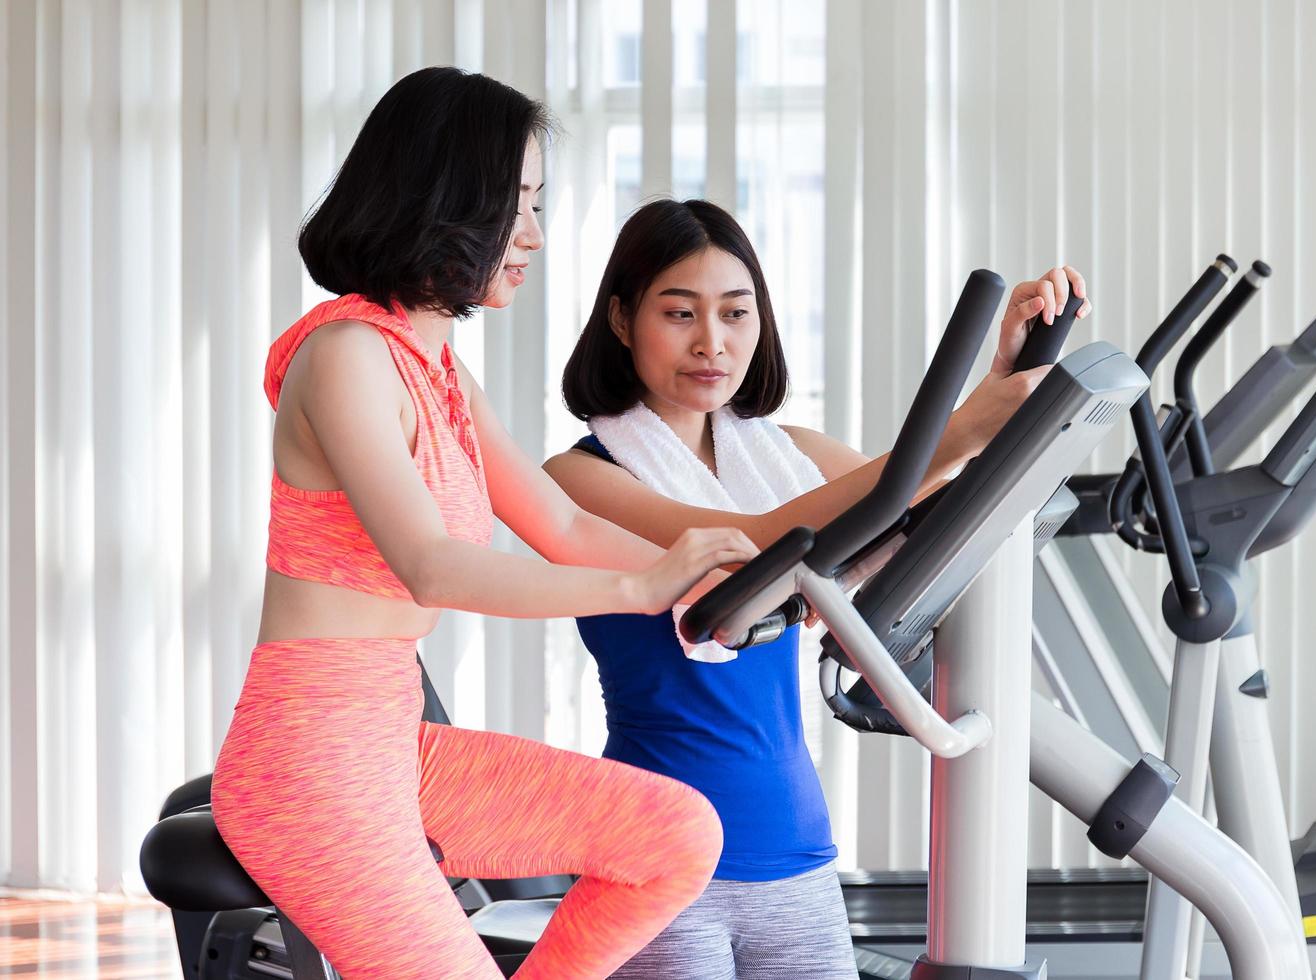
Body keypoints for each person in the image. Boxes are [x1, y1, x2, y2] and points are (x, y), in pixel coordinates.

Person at [210, 69, 756, 980]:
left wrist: (719, 581)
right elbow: (432, 565)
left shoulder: (443, 372)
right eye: (517, 206)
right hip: (306, 765)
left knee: (674, 833)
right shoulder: (345, 357)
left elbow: (565, 526)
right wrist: (642, 588)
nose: (535, 237)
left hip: (392, 740)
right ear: (442, 202)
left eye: (538, 204)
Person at [544, 197, 1089, 978]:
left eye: (736, 314)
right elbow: (751, 546)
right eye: (679, 313)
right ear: (623, 320)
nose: (712, 342)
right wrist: (962, 427)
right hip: (655, 857)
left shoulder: (789, 452)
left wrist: (1004, 381)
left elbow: (919, 516)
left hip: (794, 851)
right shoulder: (579, 476)